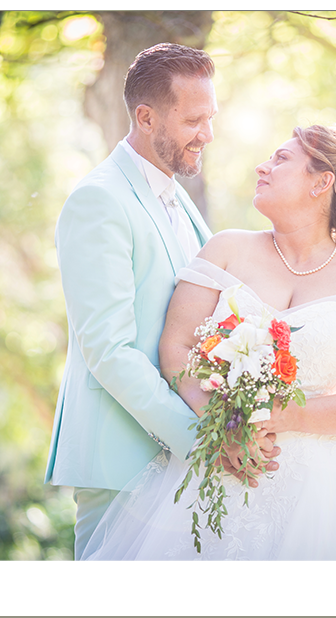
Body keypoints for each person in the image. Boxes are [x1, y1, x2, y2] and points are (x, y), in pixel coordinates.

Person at [82, 122, 336, 560]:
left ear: (322, 182)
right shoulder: (226, 249)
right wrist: (224, 429)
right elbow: (177, 347)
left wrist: (287, 415)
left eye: (281, 159)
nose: (262, 167)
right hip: (218, 469)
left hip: (323, 495)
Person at [43, 43, 277, 561]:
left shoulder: (176, 196)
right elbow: (109, 350)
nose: (208, 135)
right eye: (194, 120)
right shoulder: (98, 201)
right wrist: (203, 440)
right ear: (146, 118)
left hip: (182, 460)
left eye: (210, 118)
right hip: (122, 460)